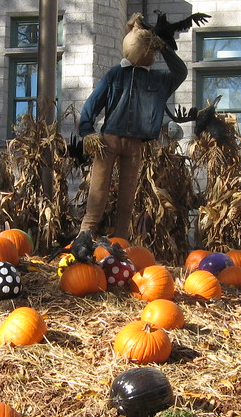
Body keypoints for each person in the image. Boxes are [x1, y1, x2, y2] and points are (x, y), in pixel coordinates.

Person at [74, 15, 189, 249]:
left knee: (127, 198)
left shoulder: (159, 80)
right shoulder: (116, 74)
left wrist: (163, 46)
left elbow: (181, 72)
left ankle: (120, 244)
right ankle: (83, 240)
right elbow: (93, 103)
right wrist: (87, 131)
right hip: (108, 141)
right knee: (98, 193)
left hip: (135, 144)